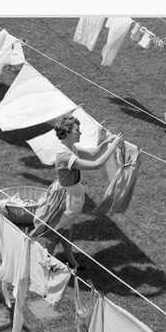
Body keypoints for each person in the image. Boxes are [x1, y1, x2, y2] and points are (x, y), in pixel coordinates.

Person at [30, 115, 123, 269]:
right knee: (56, 233)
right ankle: (45, 265)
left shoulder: (71, 148)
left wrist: (107, 142)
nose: (80, 133)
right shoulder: (65, 155)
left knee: (67, 228)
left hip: (72, 193)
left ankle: (71, 259)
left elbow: (94, 153)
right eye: (77, 130)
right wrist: (114, 146)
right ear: (67, 132)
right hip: (66, 198)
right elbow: (96, 165)